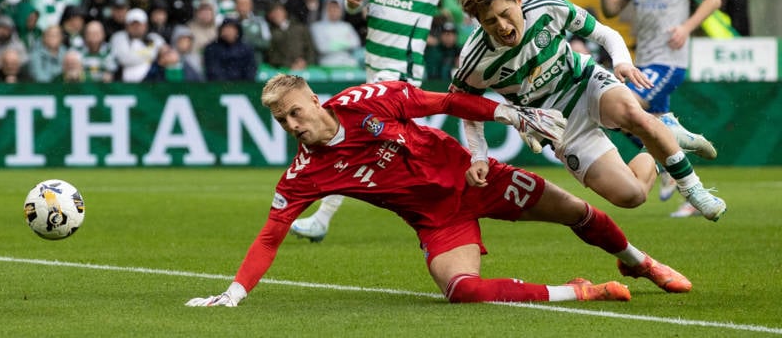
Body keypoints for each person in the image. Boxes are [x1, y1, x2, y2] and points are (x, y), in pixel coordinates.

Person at [186, 74, 692, 308]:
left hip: (480, 180)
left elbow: (449, 100)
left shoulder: (370, 101)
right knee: (461, 291)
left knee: (579, 213)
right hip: (437, 220)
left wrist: (507, 113)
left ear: (315, 100)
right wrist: (233, 294)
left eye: (295, 111)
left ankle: (638, 260)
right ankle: (583, 290)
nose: (292, 124)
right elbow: (271, 235)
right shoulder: (304, 174)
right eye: (280, 120)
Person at [451, 0, 725, 223]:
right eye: (490, 21)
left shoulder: (546, 6)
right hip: (558, 127)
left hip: (585, 83)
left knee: (632, 115)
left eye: (505, 13)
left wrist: (621, 62)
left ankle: (694, 189)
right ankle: (667, 132)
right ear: (478, 22)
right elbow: (466, 108)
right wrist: (479, 156)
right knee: (631, 195)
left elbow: (605, 33)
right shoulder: (475, 60)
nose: (502, 26)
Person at [292, 0, 467, 241]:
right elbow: (357, 4)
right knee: (383, 149)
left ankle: (323, 216)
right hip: (373, 65)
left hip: (400, 72)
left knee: (346, 134)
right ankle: (451, 200)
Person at [596, 0, 722, 216]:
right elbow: (612, 10)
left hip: (669, 60)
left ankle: (670, 161)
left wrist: (686, 28)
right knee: (648, 126)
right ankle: (685, 180)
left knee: (625, 105)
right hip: (644, 59)